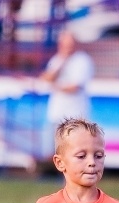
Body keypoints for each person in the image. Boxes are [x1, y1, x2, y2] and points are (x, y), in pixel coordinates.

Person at [38, 30, 94, 161]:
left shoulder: (82, 60)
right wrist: (62, 61)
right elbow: (46, 77)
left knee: (73, 152)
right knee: (52, 151)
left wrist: (55, 86)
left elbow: (74, 87)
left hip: (75, 114)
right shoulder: (57, 59)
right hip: (56, 113)